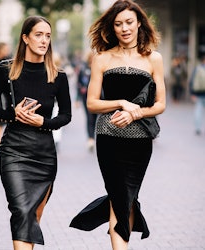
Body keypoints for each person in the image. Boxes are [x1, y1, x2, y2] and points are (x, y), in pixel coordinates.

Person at [69, 1, 166, 249]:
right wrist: (121, 103)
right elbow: (91, 103)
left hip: (140, 142)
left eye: (129, 22)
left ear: (139, 24)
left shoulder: (154, 58)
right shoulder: (101, 58)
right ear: (112, 27)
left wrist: (135, 115)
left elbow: (160, 105)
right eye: (118, 23)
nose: (124, 28)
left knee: (129, 197)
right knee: (118, 197)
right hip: (108, 138)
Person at [0, 16, 71, 250]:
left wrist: (43, 121)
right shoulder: (6, 70)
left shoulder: (58, 75)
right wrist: (14, 114)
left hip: (44, 154)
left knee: (33, 216)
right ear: (25, 37)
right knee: (22, 210)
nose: (44, 40)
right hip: (13, 150)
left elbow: (66, 116)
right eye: (38, 35)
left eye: (48, 36)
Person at [77, 51, 97, 151]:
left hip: (99, 98)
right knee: (89, 118)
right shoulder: (83, 69)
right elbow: (79, 83)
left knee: (98, 118)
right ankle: (90, 139)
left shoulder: (100, 67)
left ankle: (96, 137)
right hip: (86, 97)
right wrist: (77, 99)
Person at [189, 55, 205, 135]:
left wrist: (192, 93)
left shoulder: (197, 68)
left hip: (199, 93)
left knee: (198, 110)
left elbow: (192, 81)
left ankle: (198, 128)